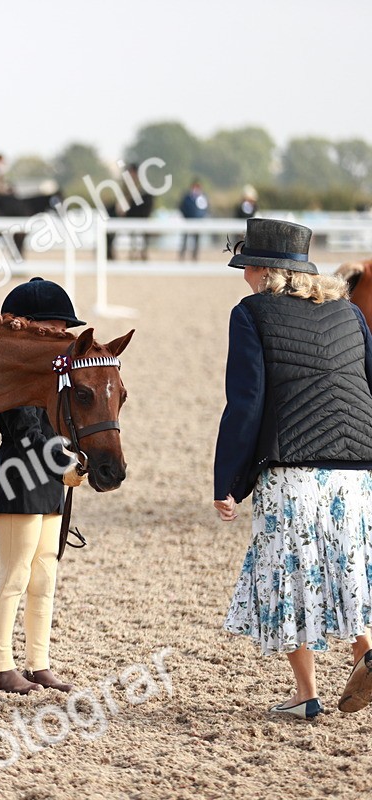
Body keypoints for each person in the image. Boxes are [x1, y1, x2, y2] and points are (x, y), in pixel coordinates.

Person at [214, 218, 372, 719]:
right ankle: (366, 656)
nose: (242, 276)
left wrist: (229, 483)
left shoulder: (251, 314)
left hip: (292, 471)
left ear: (262, 270)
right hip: (357, 468)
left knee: (289, 579)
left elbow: (246, 404)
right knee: (350, 569)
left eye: (245, 266)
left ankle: (307, 696)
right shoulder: (351, 314)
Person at [0, 277, 86, 695]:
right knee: (15, 574)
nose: (62, 338)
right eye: (56, 331)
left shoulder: (57, 378)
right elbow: (26, 430)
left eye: (64, 332)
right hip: (20, 479)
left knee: (45, 576)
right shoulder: (11, 377)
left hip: (50, 484)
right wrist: (63, 465)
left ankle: (38, 663)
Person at [179, 180, 210, 260]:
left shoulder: (202, 197)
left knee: (196, 241)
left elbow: (205, 209)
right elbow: (182, 207)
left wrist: (201, 218)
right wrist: (186, 217)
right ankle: (182, 256)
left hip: (198, 222)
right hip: (188, 221)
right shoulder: (187, 197)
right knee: (185, 240)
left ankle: (194, 256)